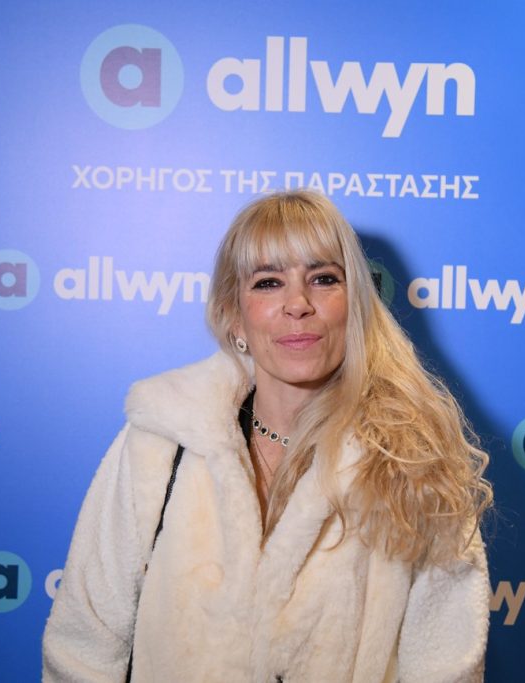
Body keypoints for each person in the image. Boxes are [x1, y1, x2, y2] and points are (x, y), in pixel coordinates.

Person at [42, 190, 493, 682]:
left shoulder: (415, 460)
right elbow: (84, 644)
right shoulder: (161, 439)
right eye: (268, 282)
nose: (297, 304)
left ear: (356, 303)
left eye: (323, 279)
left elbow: (445, 667)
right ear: (234, 314)